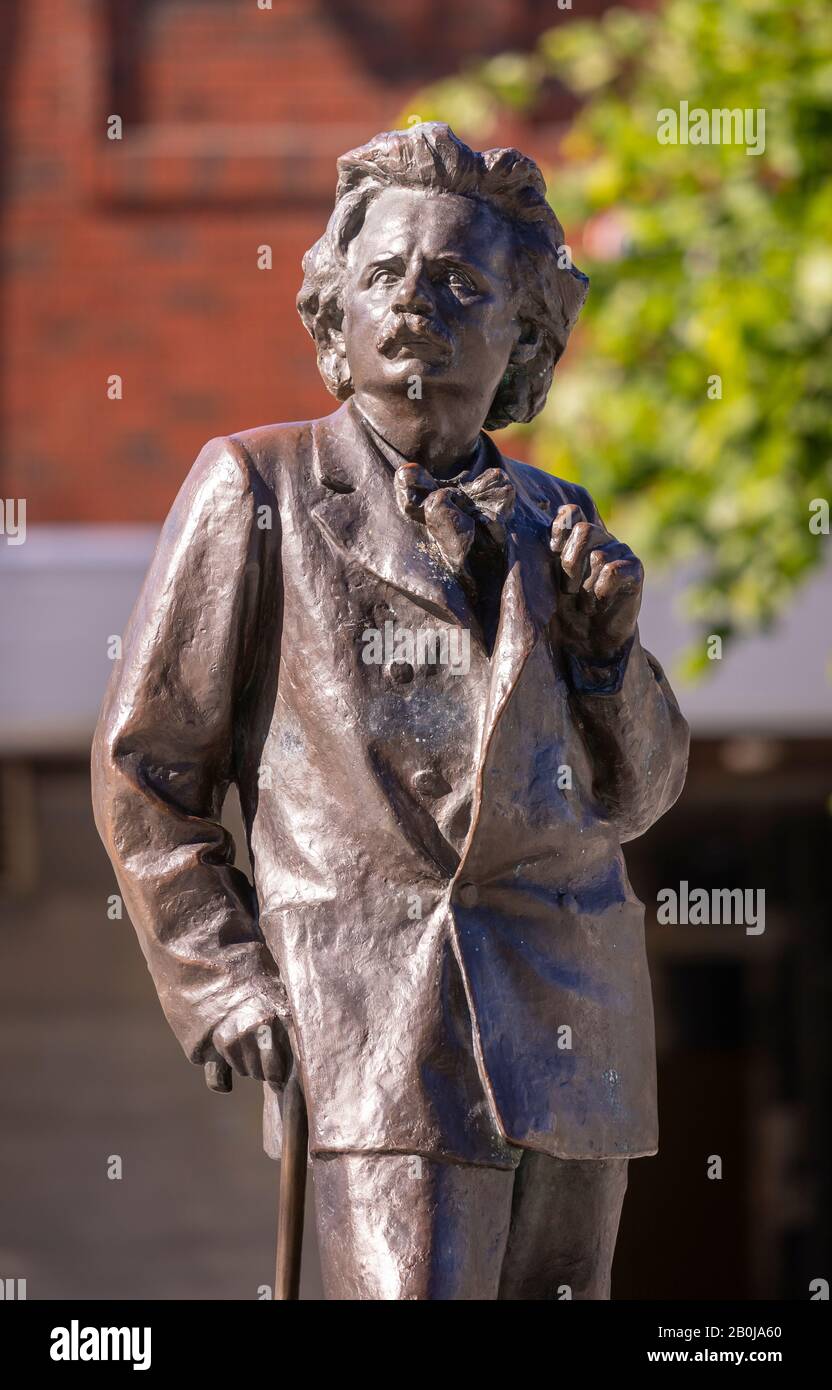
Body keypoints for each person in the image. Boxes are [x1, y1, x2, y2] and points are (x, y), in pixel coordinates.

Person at [92, 123, 689, 1299]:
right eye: (383, 275)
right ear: (332, 314)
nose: (414, 301)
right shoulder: (254, 488)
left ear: (525, 332)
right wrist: (222, 977)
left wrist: (608, 654)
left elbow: (642, 792)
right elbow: (149, 768)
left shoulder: (552, 514)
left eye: (461, 281)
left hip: (573, 1032)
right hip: (372, 1021)